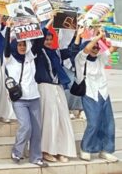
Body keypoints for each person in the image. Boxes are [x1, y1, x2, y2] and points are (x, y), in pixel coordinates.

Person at [31, 17, 76, 163]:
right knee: (49, 121)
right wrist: (51, 20)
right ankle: (46, 150)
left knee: (62, 120)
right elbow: (38, 39)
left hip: (58, 89)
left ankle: (61, 150)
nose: (49, 42)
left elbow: (71, 50)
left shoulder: (56, 53)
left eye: (50, 39)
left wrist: (78, 33)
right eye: (46, 39)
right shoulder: (37, 52)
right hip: (45, 88)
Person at [4, 22, 48, 167]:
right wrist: (9, 27)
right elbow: (6, 46)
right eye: (19, 45)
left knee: (36, 129)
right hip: (19, 99)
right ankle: (17, 151)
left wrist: (50, 22)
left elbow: (40, 41)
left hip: (34, 97)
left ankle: (36, 157)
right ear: (15, 46)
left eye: (24, 45)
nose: (22, 47)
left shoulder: (30, 55)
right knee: (26, 126)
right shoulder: (9, 59)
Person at [75, 28, 119, 163]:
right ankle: (86, 148)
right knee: (93, 123)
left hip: (103, 93)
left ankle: (106, 150)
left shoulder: (101, 57)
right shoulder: (80, 59)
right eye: (93, 46)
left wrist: (116, 34)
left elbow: (114, 48)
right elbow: (86, 50)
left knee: (109, 124)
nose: (95, 49)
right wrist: (97, 37)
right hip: (89, 94)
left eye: (97, 47)